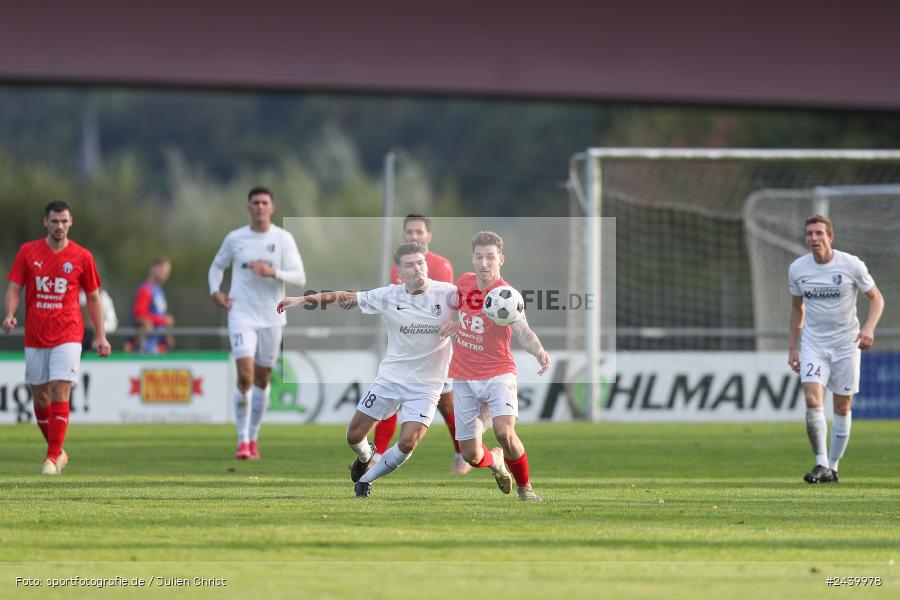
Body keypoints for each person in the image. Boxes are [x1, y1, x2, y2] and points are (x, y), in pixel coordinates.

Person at [277, 242, 467, 498]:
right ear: (399, 272)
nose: (417, 269)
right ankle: (366, 456)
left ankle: (366, 481)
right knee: (354, 436)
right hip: (391, 379)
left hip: (427, 386)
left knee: (408, 442)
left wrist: (459, 322)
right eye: (410, 265)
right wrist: (301, 299)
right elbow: (344, 297)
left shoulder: (448, 294)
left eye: (421, 263)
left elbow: (482, 309)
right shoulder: (388, 295)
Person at [2, 200, 112, 475]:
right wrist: (10, 314)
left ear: (71, 222)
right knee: (40, 399)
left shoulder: (82, 257)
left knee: (60, 389)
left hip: (68, 334)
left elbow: (94, 298)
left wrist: (101, 336)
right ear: (45, 223)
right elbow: (15, 288)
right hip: (36, 334)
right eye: (54, 221)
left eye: (64, 221)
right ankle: (59, 451)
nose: (59, 226)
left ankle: (51, 458)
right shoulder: (29, 252)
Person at [442, 231, 551, 502]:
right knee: (471, 454)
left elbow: (523, 332)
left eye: (490, 257)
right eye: (479, 257)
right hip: (464, 377)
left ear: (501, 259)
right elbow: (461, 311)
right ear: (472, 258)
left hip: (498, 374)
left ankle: (525, 488)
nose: (484, 263)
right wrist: (455, 323)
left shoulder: (507, 296)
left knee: (504, 432)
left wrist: (538, 350)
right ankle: (496, 462)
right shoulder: (464, 282)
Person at [208, 187, 306, 460]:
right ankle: (241, 440)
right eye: (255, 203)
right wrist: (215, 291)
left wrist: (272, 272)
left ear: (272, 208)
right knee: (245, 376)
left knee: (263, 379)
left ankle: (253, 436)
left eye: (265, 203)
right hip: (241, 314)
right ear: (249, 207)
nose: (260, 207)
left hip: (272, 316)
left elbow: (300, 278)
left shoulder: (283, 238)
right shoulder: (236, 238)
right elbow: (217, 266)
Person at [788, 214, 884, 484]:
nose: (814, 238)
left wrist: (869, 328)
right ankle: (820, 462)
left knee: (842, 406)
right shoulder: (798, 269)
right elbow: (797, 308)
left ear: (831, 237)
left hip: (846, 344)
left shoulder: (851, 264)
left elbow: (876, 298)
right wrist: (793, 347)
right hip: (814, 344)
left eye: (819, 233)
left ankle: (833, 466)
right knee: (812, 399)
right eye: (809, 234)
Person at [371, 214, 469, 474]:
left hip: (435, 350)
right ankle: (377, 455)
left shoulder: (441, 266)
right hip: (407, 348)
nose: (414, 236)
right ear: (404, 236)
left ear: (428, 236)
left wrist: (456, 322)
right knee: (392, 396)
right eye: (409, 232)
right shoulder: (398, 268)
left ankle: (462, 455)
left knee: (446, 403)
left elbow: (453, 302)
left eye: (419, 232)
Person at [128, 257, 174, 354]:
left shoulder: (160, 291)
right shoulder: (146, 289)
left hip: (158, 345)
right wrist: (164, 320)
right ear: (153, 268)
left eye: (167, 271)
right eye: (161, 269)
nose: (165, 273)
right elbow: (140, 313)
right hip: (146, 345)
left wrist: (166, 335)